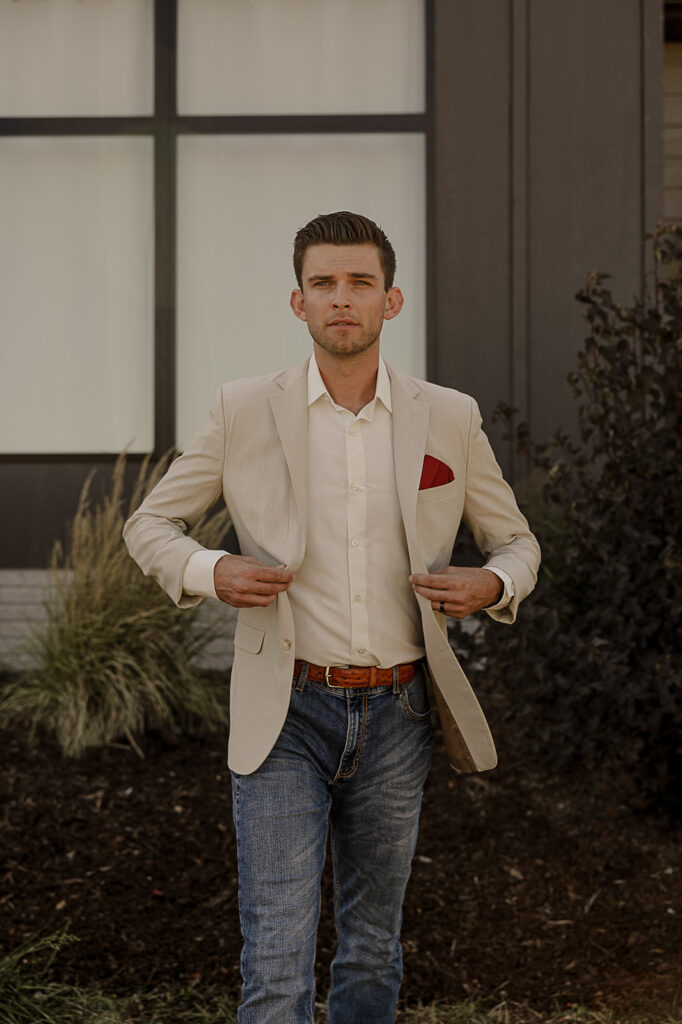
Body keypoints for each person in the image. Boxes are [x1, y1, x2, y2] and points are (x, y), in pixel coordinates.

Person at [123, 211, 540, 1024]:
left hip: (402, 711)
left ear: (392, 301)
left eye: (359, 283)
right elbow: (149, 525)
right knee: (277, 958)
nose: (340, 299)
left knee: (373, 947)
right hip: (283, 710)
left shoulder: (448, 415)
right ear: (297, 301)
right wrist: (211, 570)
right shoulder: (243, 409)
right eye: (324, 283)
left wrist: (492, 586)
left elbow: (517, 541)